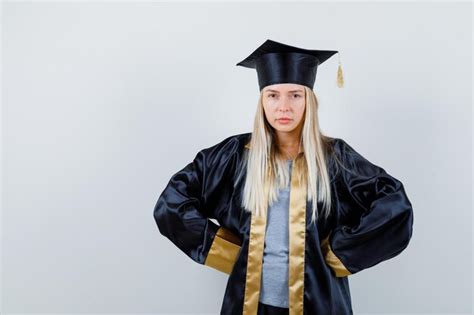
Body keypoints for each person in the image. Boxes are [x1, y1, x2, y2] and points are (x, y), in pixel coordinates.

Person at [153, 39, 414, 315]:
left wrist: (338, 253)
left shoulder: (335, 159)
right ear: (262, 101)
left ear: (309, 100)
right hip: (251, 304)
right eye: (273, 95)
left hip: (319, 304)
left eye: (295, 95)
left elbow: (395, 207)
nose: (284, 107)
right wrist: (229, 253)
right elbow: (172, 203)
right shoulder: (234, 156)